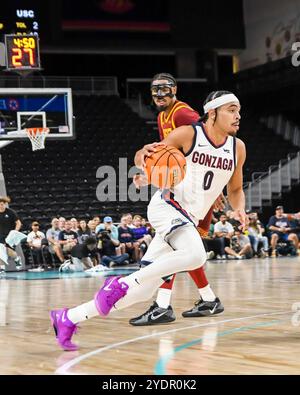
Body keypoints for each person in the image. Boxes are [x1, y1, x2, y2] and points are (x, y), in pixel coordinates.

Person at [50, 90, 248, 351]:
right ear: (212, 113)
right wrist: (142, 166)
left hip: (188, 217)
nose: (238, 116)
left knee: (141, 291)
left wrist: (240, 209)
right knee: (196, 255)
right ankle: (121, 282)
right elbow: (148, 155)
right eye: (231, 110)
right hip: (168, 206)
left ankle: (69, 318)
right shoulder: (190, 134)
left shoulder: (238, 148)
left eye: (239, 111)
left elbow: (234, 190)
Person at [130, 73, 225, 326]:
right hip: (184, 187)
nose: (160, 95)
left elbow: (209, 139)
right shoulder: (163, 116)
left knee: (174, 246)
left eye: (165, 90)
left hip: (196, 191)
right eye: (155, 91)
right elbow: (168, 155)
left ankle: (163, 306)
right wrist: (148, 175)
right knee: (183, 249)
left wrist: (215, 185)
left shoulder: (183, 114)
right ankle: (208, 300)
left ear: (175, 90)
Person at [0, 196, 24, 269]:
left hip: (10, 235)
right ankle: (2, 268)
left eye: (1, 204)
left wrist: (15, 232)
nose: (0, 206)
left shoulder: (10, 212)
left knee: (10, 252)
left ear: (5, 204)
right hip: (0, 235)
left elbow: (18, 223)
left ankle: (17, 259)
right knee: (0, 252)